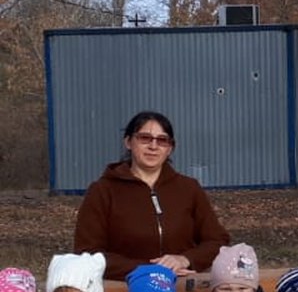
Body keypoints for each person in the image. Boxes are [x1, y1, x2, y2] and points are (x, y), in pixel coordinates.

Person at [73, 110, 231, 280]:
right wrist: (148, 270)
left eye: (162, 140)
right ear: (128, 142)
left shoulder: (189, 188)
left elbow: (218, 241)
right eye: (145, 138)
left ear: (170, 148)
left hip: (182, 288)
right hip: (125, 288)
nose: (153, 146)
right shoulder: (102, 191)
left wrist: (185, 259)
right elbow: (87, 253)